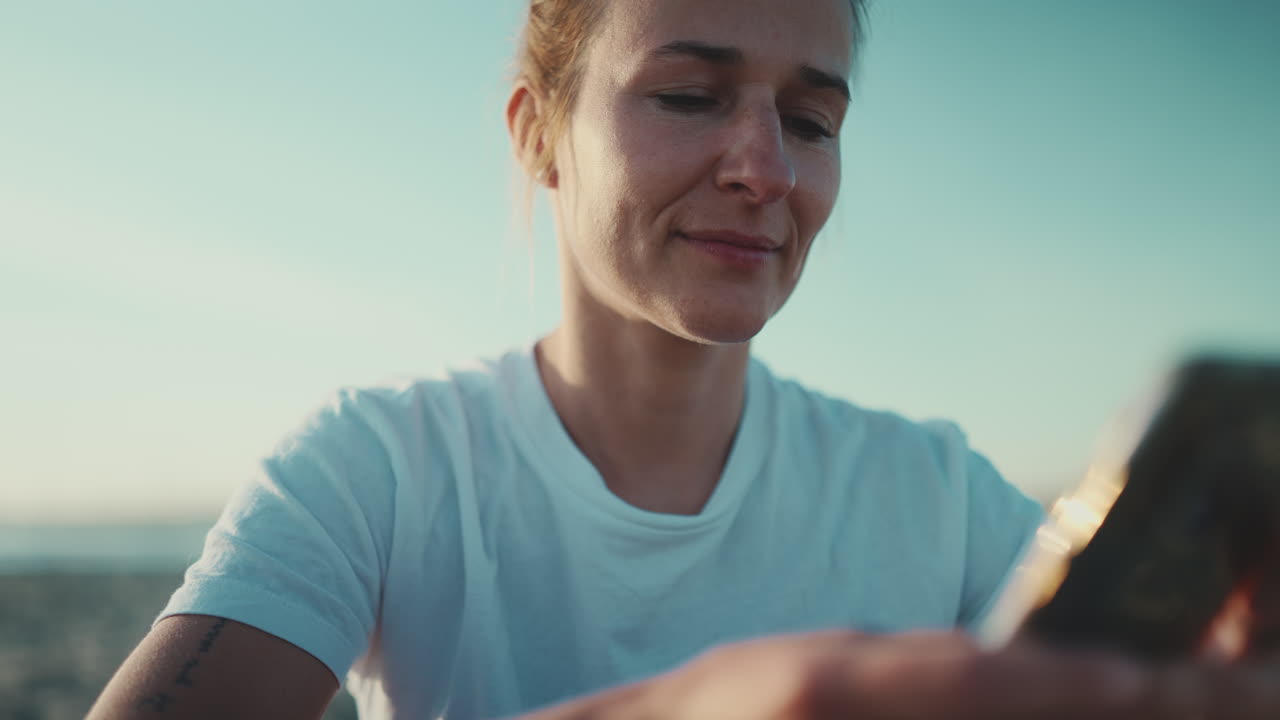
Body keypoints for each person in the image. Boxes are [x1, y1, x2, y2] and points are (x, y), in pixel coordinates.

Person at [90, 0, 1280, 718]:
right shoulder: (375, 470)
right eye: (688, 93)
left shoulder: (931, 493)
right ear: (537, 134)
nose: (763, 167)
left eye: (810, 121)